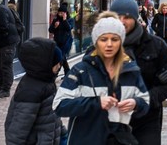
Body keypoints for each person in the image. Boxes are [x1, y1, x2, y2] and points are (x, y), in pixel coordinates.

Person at [53, 13, 150, 145]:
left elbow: (145, 101)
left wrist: (135, 103)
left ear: (121, 42)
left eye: (114, 39)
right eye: (104, 39)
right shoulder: (80, 71)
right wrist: (96, 103)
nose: (109, 44)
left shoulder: (131, 71)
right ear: (96, 41)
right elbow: (59, 105)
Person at [110, 0, 167, 145]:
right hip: (111, 118)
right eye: (118, 16)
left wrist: (147, 99)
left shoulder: (155, 45)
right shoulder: (103, 44)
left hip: (147, 118)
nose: (122, 21)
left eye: (127, 17)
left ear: (136, 18)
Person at [4, 37, 62, 145]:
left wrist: (62, 133)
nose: (59, 66)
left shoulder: (47, 82)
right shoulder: (30, 92)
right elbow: (16, 132)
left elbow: (52, 116)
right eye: (56, 63)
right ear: (44, 64)